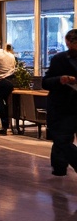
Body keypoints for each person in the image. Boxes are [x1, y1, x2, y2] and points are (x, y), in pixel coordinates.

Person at [43, 29, 77, 177]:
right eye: (72, 43)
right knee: (62, 138)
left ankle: (59, 168)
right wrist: (60, 80)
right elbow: (46, 82)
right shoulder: (59, 59)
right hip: (62, 105)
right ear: (67, 42)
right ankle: (60, 168)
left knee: (61, 139)